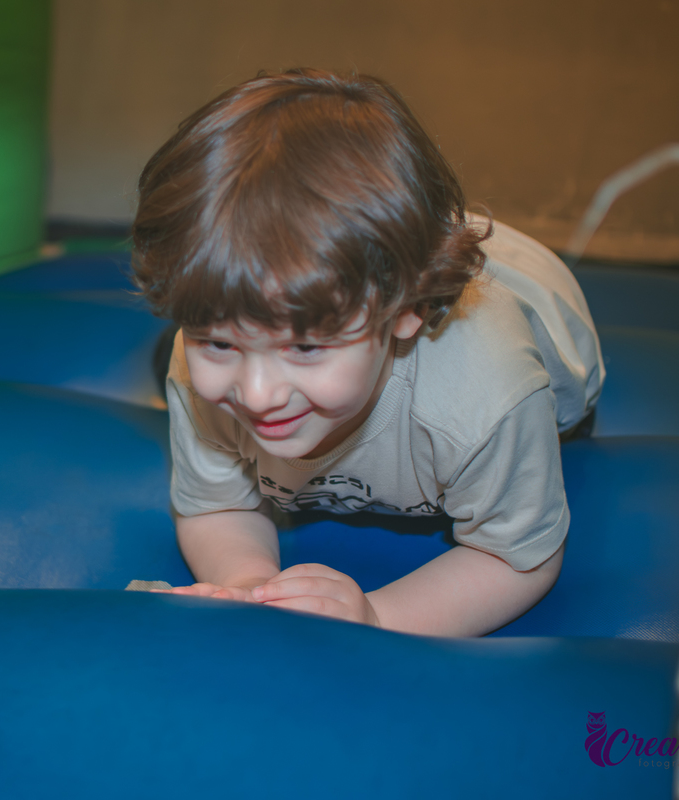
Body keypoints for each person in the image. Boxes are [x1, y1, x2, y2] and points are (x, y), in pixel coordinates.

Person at [130, 69, 603, 637]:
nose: (255, 393)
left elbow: (516, 556)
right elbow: (215, 506)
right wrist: (250, 583)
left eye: (304, 346)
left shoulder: (486, 396)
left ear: (407, 312)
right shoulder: (200, 359)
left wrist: (379, 615)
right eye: (219, 342)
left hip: (528, 287)